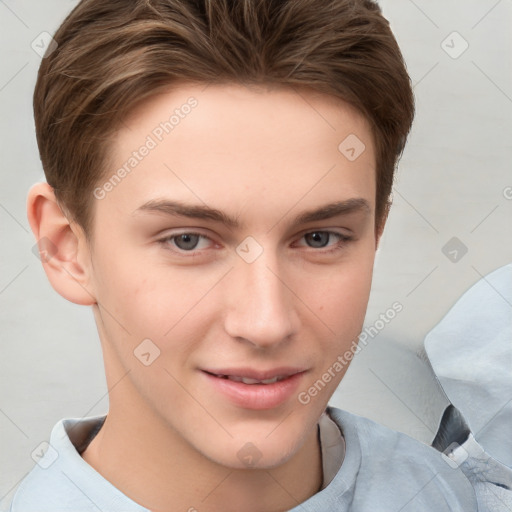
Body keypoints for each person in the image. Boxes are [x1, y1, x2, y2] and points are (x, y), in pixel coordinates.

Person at [6, 0, 482, 510]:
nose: (266, 323)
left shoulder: (439, 493)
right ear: (65, 247)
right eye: (187, 240)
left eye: (320, 238)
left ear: (375, 233)